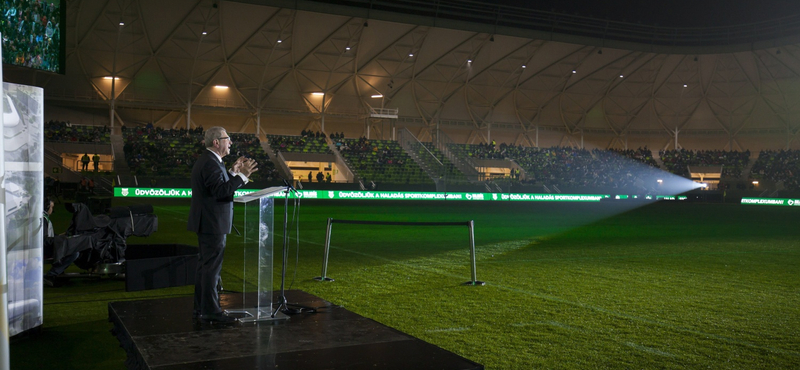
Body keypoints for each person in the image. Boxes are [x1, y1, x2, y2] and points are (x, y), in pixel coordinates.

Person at [187, 127, 258, 324]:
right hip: (212, 223)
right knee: (211, 269)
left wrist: (231, 172)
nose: (231, 143)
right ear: (216, 142)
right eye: (228, 139)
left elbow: (216, 187)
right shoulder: (210, 162)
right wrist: (242, 176)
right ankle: (211, 311)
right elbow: (220, 192)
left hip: (209, 222)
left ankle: (201, 309)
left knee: (205, 268)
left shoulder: (210, 161)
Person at [43, 197, 80, 287]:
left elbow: (48, 237)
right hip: (45, 249)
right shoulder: (42, 219)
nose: (52, 209)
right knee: (74, 253)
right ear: (47, 207)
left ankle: (58, 273)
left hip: (46, 247)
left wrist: (59, 236)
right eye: (51, 207)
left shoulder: (43, 218)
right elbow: (45, 240)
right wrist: (59, 239)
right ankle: (51, 275)